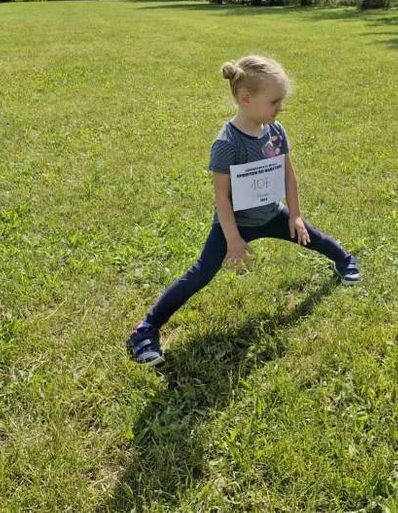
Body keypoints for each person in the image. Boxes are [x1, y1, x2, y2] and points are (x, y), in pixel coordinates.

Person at [126, 55, 360, 365]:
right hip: (235, 223)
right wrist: (233, 239)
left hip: (271, 213)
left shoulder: (275, 131)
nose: (281, 108)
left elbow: (288, 174)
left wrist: (295, 214)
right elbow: (221, 198)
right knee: (201, 273)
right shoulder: (226, 144)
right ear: (246, 99)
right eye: (275, 101)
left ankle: (344, 259)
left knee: (309, 236)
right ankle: (145, 330)